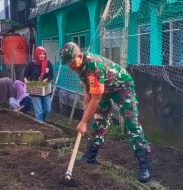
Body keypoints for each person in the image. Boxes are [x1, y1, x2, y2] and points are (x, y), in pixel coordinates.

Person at [60, 42, 151, 183]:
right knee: (99, 119)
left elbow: (96, 98)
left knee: (131, 122)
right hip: (105, 88)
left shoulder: (93, 65)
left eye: (71, 62)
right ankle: (91, 155)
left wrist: (83, 122)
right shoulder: (78, 65)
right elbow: (86, 82)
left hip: (122, 86)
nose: (70, 66)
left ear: (79, 55)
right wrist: (86, 94)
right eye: (67, 63)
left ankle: (143, 163)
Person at [24, 46, 53, 121]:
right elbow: (25, 75)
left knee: (48, 109)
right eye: (40, 54)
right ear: (36, 54)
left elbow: (51, 76)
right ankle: (40, 125)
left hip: (45, 90)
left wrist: (46, 79)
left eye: (44, 54)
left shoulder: (48, 63)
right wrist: (27, 82)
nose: (42, 55)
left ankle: (40, 121)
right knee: (38, 112)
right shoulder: (31, 65)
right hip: (35, 90)